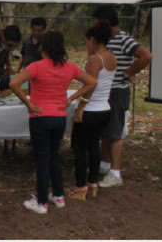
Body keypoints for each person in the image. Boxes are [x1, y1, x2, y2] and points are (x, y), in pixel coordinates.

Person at [10, 30, 97, 214]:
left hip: (40, 117)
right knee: (53, 157)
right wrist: (71, 98)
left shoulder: (36, 66)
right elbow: (91, 83)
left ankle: (41, 203)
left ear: (44, 47)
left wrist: (28, 103)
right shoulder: (70, 67)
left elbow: (13, 83)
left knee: (42, 158)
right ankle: (58, 196)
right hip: (59, 118)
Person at [92, 6, 152, 188]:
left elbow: (146, 56)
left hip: (117, 91)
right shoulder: (106, 40)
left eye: (96, 23)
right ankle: (104, 165)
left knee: (116, 131)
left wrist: (129, 71)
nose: (95, 27)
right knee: (105, 130)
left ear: (105, 22)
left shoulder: (124, 39)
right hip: (105, 91)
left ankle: (116, 173)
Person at [70, 22, 117, 200]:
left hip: (90, 109)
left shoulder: (94, 59)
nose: (85, 44)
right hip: (104, 108)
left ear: (92, 39)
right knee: (94, 147)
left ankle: (80, 187)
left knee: (80, 149)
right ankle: (92, 183)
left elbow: (91, 85)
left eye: (86, 41)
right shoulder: (112, 58)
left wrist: (80, 108)